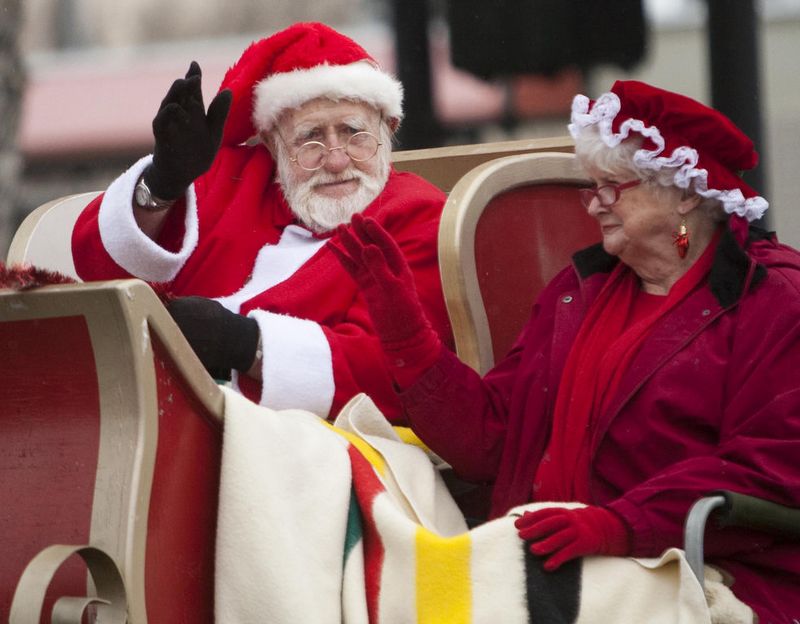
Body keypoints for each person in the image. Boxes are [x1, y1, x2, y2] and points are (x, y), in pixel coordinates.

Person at [333, 80, 800, 623]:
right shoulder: (580, 291)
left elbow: (772, 468)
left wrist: (620, 525)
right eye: (591, 187)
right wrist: (404, 331)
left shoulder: (771, 300)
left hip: (703, 573)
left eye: (613, 187)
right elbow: (488, 443)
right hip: (552, 563)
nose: (595, 204)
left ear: (686, 192)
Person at [70, 22, 453, 423]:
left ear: (388, 129)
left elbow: (394, 373)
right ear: (272, 143)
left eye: (354, 133)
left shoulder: (418, 214)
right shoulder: (234, 180)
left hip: (303, 442)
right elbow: (99, 270)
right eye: (310, 139)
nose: (337, 160)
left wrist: (244, 343)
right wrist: (161, 184)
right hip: (145, 408)